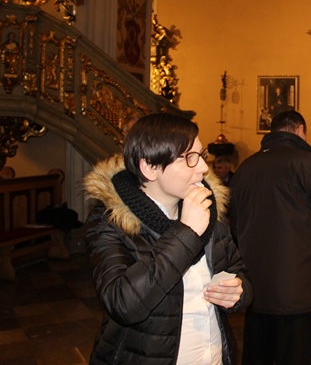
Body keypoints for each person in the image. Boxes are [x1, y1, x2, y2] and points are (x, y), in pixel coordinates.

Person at [83, 112, 252, 364]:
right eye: (189, 158)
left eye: (201, 155)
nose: (203, 167)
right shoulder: (109, 221)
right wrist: (186, 232)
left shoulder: (208, 208)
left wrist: (239, 292)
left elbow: (239, 271)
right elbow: (122, 304)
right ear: (150, 167)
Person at [230, 110, 311, 365]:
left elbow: (233, 226)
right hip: (299, 291)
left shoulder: (245, 168)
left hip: (255, 290)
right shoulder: (307, 164)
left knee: (257, 358)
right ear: (300, 131)